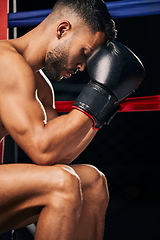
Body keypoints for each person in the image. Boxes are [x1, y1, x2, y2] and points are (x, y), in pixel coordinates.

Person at [0, 0, 144, 239]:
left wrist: (104, 102)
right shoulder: (5, 62)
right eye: (85, 52)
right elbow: (42, 150)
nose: (84, 66)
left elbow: (58, 155)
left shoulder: (41, 87)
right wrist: (99, 93)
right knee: (62, 183)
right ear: (62, 29)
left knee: (92, 182)